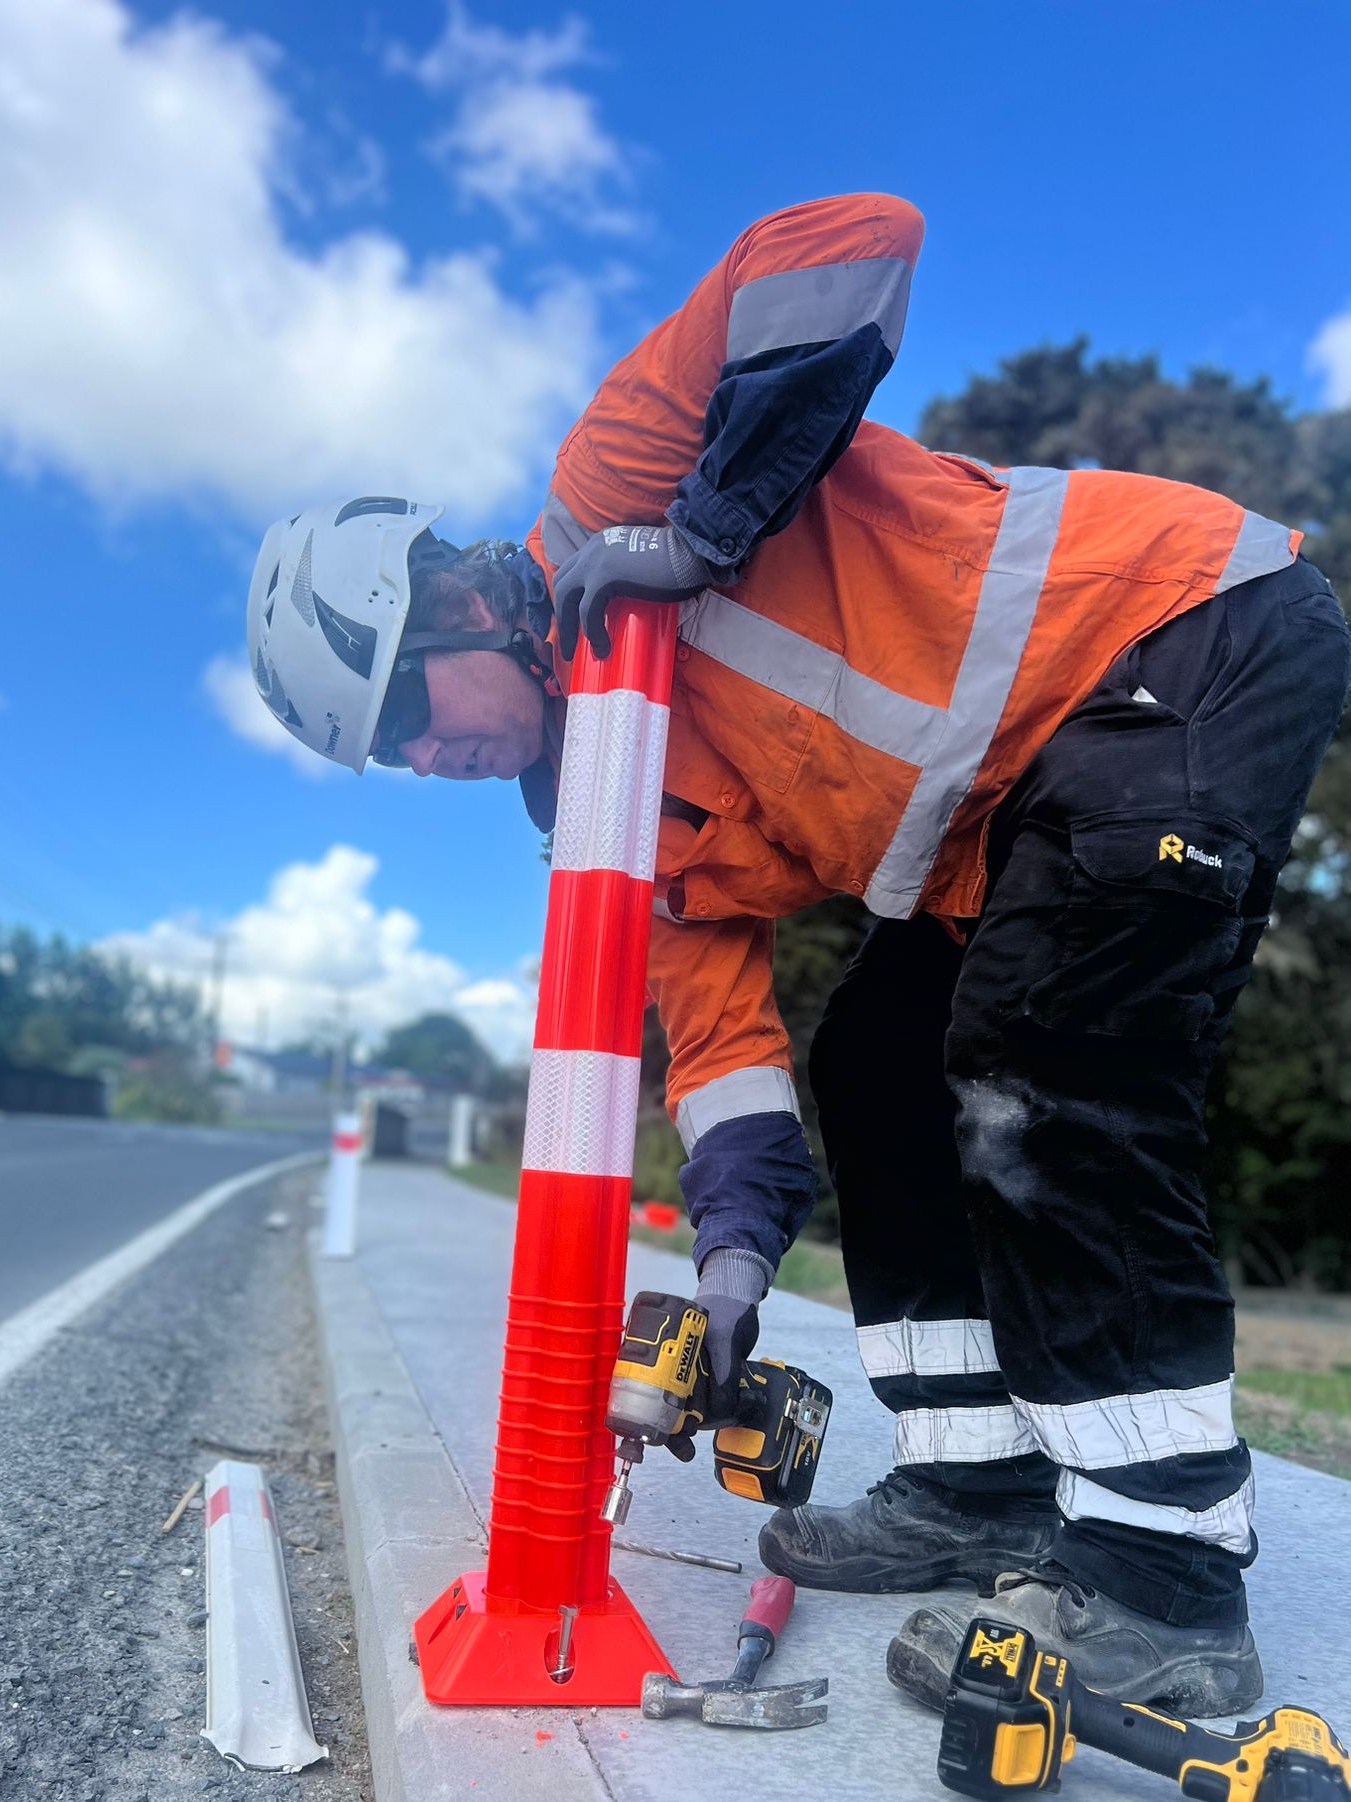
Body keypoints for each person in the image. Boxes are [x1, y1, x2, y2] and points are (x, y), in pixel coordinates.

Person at [247, 196, 1351, 1715]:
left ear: (442, 605)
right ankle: (982, 1487)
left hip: (1176, 632)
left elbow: (851, 242)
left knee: (1044, 1059)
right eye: (388, 756)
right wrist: (733, 1268)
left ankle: (1167, 1579)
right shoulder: (613, 801)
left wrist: (697, 533)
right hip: (1017, 811)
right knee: (875, 1058)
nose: (419, 757)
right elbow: (719, 1053)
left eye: (403, 714)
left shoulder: (609, 488)